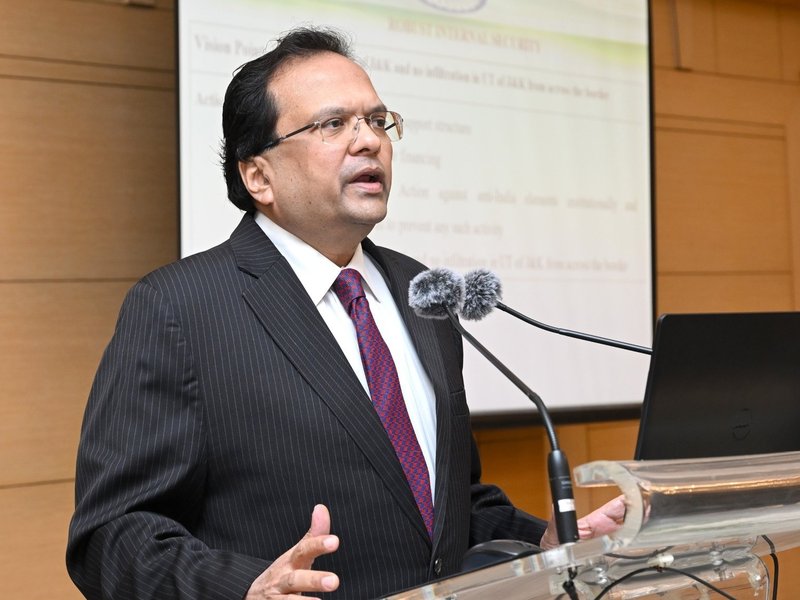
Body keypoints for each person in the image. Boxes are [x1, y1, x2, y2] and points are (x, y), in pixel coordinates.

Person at [66, 26, 624, 600]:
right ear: (258, 176)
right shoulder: (181, 308)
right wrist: (244, 588)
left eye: (377, 121)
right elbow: (110, 534)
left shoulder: (419, 290)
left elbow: (446, 505)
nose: (369, 142)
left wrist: (545, 540)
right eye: (333, 124)